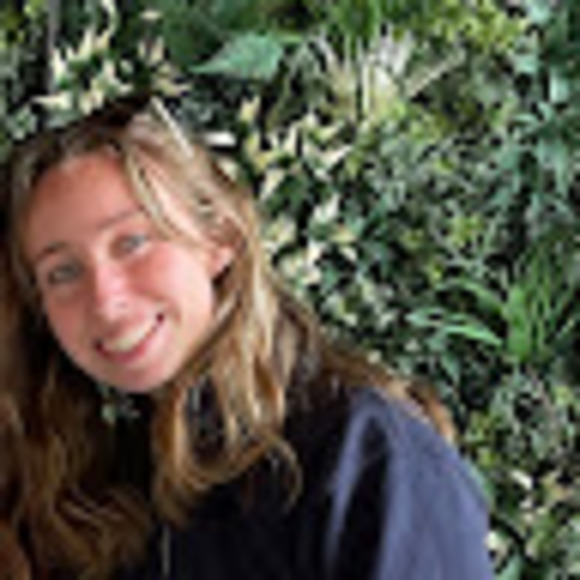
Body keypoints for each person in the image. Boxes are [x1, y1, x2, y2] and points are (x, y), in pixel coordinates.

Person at [0, 94, 494, 579]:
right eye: (63, 272)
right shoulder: (105, 487)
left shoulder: (366, 458)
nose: (105, 301)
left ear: (220, 237)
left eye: (132, 242)